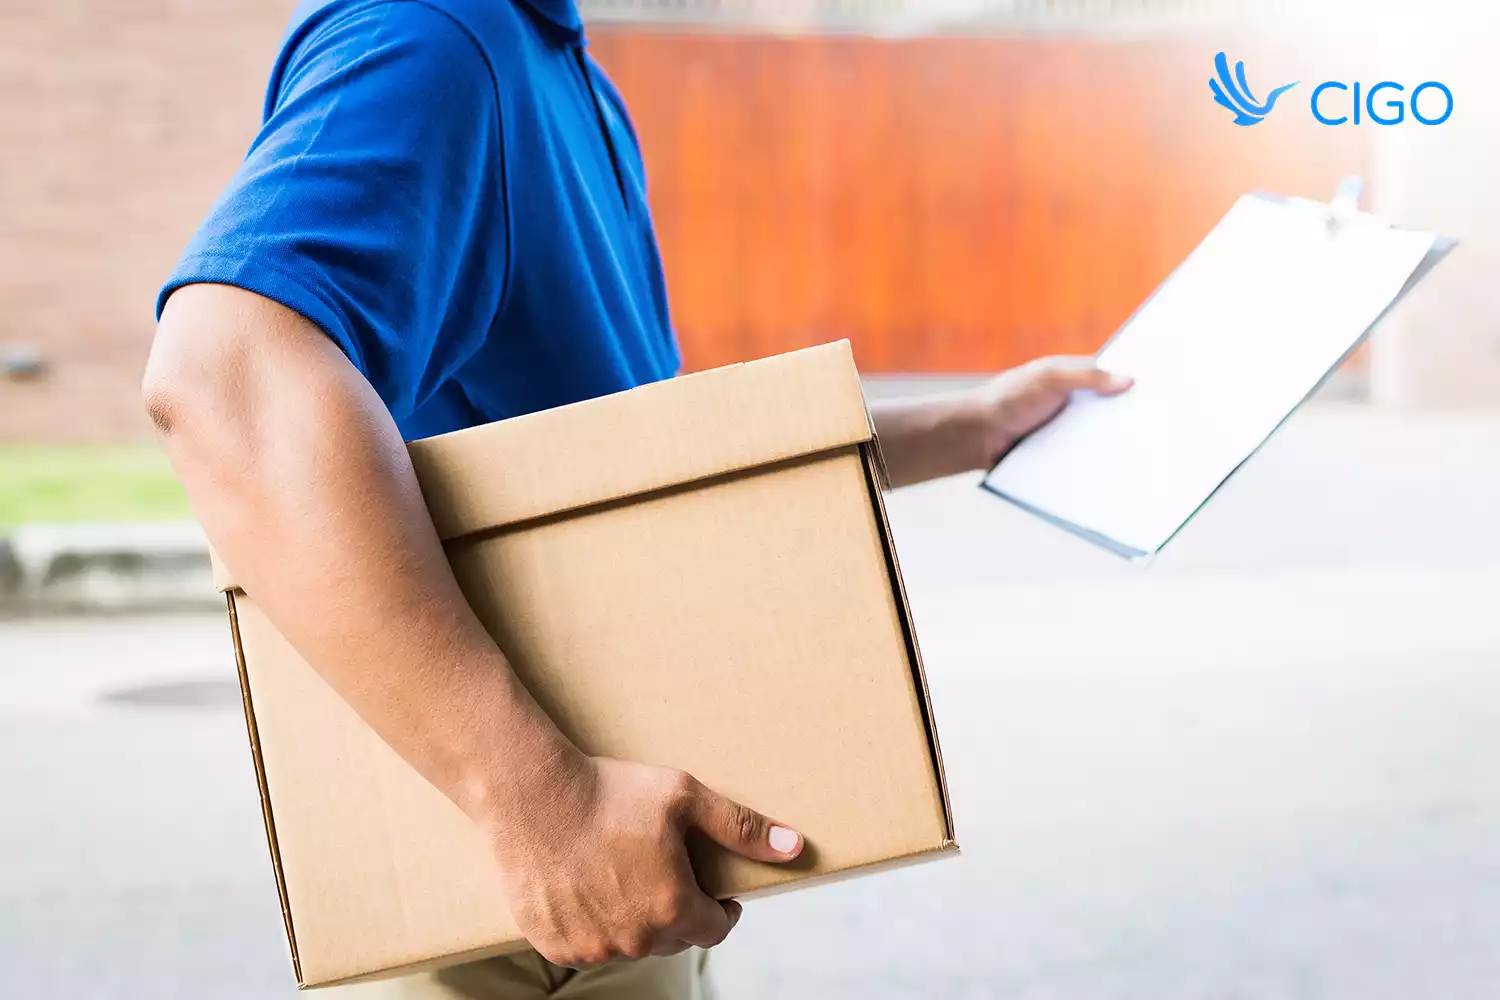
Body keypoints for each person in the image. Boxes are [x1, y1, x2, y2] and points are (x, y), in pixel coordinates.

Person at [142, 0, 1131, 997]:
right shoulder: (430, 37)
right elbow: (226, 379)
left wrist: (976, 426)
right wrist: (535, 796)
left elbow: (629, 461)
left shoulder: (559, 70)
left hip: (603, 863)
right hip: (506, 901)